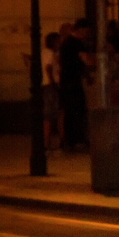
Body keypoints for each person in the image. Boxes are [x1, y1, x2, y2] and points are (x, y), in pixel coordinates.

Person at [59, 18, 93, 151]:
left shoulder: (66, 43)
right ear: (81, 29)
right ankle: (77, 140)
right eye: (87, 31)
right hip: (73, 81)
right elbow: (86, 60)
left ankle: (69, 140)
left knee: (69, 110)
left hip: (65, 80)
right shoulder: (77, 43)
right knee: (77, 109)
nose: (88, 34)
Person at [41, 32, 62, 150]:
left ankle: (47, 141)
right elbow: (48, 67)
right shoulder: (48, 53)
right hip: (49, 85)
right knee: (49, 114)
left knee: (51, 114)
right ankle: (46, 142)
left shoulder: (49, 53)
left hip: (49, 84)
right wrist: (53, 82)